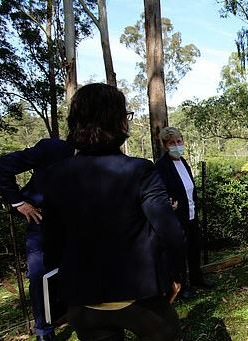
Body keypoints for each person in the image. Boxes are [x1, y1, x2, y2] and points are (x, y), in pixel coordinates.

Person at [42, 83, 186, 341]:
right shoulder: (140, 170)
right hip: (140, 296)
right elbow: (170, 231)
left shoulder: (54, 175)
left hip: (83, 299)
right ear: (118, 121)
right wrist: (174, 275)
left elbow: (51, 241)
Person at [0, 139, 74, 341]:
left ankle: (79, 316)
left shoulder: (100, 154)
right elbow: (3, 167)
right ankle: (44, 331)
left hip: (77, 228)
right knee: (39, 276)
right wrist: (19, 203)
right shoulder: (53, 149)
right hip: (42, 224)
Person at [156, 126, 213, 297]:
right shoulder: (161, 166)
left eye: (178, 141)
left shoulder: (184, 162)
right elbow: (160, 191)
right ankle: (182, 286)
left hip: (191, 213)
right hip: (176, 217)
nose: (176, 145)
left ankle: (197, 278)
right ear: (165, 146)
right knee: (178, 253)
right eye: (171, 143)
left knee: (194, 249)